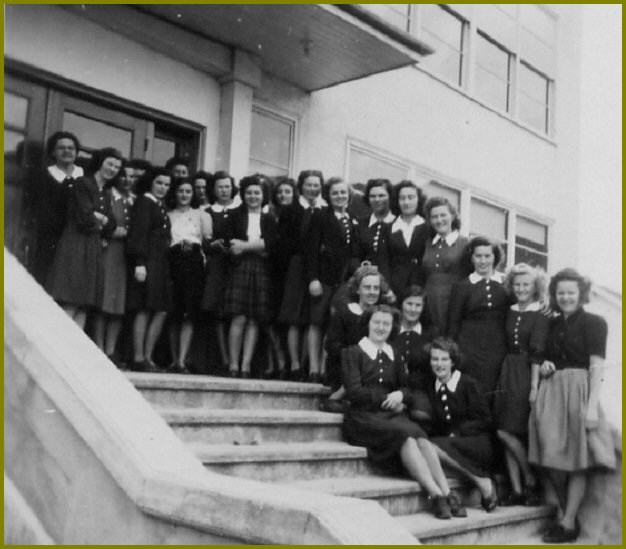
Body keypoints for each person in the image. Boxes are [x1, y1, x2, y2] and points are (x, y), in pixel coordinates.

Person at [342, 306, 466, 520]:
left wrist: (400, 394)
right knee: (405, 433)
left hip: (391, 416)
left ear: (392, 328)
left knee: (419, 435)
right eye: (377, 322)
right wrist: (385, 399)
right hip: (363, 418)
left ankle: (446, 492)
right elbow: (354, 392)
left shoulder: (395, 354)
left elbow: (408, 389)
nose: (381, 328)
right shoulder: (352, 352)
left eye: (386, 324)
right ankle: (435, 494)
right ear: (368, 324)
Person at [528, 269, 616, 543]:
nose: (565, 297)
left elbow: (597, 367)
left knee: (578, 459)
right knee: (550, 455)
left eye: (571, 292)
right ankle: (568, 514)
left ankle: (567, 522)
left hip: (579, 391)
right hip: (552, 390)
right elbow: (540, 357)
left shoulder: (595, 322)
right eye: (561, 292)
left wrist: (591, 408)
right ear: (554, 294)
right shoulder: (551, 324)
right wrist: (544, 366)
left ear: (581, 294)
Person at [46, 147, 122, 330]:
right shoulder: (83, 183)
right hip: (77, 244)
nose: (112, 169)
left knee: (83, 304)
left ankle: (73, 351)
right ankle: (57, 345)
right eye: (109, 164)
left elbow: (111, 224)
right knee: (72, 298)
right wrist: (99, 219)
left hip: (92, 245)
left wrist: (100, 217)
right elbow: (85, 219)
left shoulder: (105, 192)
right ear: (100, 163)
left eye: (116, 167)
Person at [493, 263, 549, 506]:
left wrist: (535, 386)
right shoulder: (510, 309)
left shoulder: (541, 312)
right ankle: (517, 489)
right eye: (517, 284)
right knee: (503, 429)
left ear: (535, 286)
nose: (521, 288)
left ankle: (529, 478)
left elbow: (537, 352)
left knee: (508, 430)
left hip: (526, 372)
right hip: (507, 370)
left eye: (526, 284)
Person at [424, 337, 498, 513]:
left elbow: (486, 420)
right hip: (453, 445)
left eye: (444, 359)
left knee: (430, 446)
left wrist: (459, 431)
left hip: (476, 442)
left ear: (453, 362)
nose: (439, 364)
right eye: (435, 359)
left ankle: (483, 482)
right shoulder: (431, 386)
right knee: (425, 448)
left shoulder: (467, 383)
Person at [306, 177, 362, 383]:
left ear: (349, 195)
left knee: (333, 324)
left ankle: (324, 368)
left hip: (344, 281)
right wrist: (313, 279)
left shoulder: (353, 219)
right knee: (316, 321)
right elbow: (311, 250)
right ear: (328, 196)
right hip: (323, 278)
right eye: (335, 193)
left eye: (343, 192)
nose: (340, 196)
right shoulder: (320, 216)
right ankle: (312, 368)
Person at [224, 175, 278, 378]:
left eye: (257, 193)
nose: (253, 196)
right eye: (249, 193)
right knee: (238, 317)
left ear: (263, 196)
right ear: (243, 195)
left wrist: (245, 246)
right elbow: (230, 244)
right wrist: (258, 246)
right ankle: (233, 364)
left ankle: (246, 365)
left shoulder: (269, 218)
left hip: (261, 269)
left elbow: (271, 244)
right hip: (240, 268)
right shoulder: (234, 216)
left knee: (254, 319)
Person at [321, 264, 392, 411]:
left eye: (376, 288)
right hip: (345, 368)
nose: (372, 292)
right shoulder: (344, 313)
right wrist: (356, 358)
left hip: (374, 369)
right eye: (367, 288)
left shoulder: (383, 314)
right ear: (358, 289)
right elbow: (331, 345)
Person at [277, 169, 326, 380]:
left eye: (317, 185)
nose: (313, 189)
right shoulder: (290, 210)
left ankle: (308, 365)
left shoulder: (325, 210)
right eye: (309, 185)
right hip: (296, 266)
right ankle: (295, 365)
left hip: (317, 268)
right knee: (294, 318)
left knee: (311, 317)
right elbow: (284, 242)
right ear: (301, 186)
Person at [447, 236, 509, 403]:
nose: (483, 261)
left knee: (495, 389)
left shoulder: (506, 283)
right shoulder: (462, 286)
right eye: (478, 256)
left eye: (487, 256)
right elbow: (453, 322)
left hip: (498, 346)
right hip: (469, 346)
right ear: (471, 258)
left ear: (495, 257)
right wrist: (453, 351)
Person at [126, 168, 173, 372]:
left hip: (161, 262)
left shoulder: (159, 204)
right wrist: (139, 262)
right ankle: (139, 358)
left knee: (160, 310)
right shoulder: (144, 202)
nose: (163, 188)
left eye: (166, 184)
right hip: (148, 261)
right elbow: (138, 233)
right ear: (150, 183)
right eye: (159, 183)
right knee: (144, 307)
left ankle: (148, 356)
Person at [166, 177, 213, 373]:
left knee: (188, 313)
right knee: (173, 311)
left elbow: (207, 241)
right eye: (180, 191)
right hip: (172, 261)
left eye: (188, 191)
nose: (184, 195)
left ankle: (182, 360)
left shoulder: (202, 215)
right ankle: (173, 359)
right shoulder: (167, 214)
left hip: (193, 262)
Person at [93, 165, 135, 366]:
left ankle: (111, 350)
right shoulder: (108, 195)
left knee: (119, 304)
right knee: (104, 302)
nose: (127, 180)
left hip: (126, 256)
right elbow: (102, 225)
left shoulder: (135, 200)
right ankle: (99, 348)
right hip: (109, 252)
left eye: (132, 177)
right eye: (124, 176)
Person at [33, 131, 84, 285]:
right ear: (53, 152)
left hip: (81, 239)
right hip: (54, 238)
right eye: (61, 148)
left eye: (71, 148)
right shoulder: (44, 176)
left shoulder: (85, 175)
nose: (67, 151)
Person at [201, 170, 239, 370]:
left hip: (236, 264)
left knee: (234, 312)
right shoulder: (207, 212)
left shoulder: (240, 209)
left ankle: (234, 360)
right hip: (216, 265)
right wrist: (212, 244)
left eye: (227, 186)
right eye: (219, 187)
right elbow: (202, 241)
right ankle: (223, 358)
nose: (224, 190)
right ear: (213, 190)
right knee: (216, 312)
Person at [421, 196, 470, 334]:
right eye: (434, 217)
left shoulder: (465, 243)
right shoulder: (427, 244)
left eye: (443, 215)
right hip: (430, 303)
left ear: (453, 216)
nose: (439, 220)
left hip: (454, 303)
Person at [383, 180, 429, 297]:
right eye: (402, 198)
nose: (406, 202)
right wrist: (387, 289)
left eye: (411, 197)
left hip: (422, 288)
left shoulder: (428, 227)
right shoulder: (388, 228)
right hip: (394, 289)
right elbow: (384, 261)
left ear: (419, 199)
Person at [393, 286, 437, 393]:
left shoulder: (431, 334)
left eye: (418, 305)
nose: (413, 309)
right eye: (409, 304)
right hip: (392, 389)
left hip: (421, 390)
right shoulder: (391, 330)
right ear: (401, 304)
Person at [357, 178, 395, 280]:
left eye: (381, 195)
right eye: (372, 196)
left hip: (391, 284)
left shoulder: (399, 224)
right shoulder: (360, 224)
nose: (377, 199)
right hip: (363, 281)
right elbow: (354, 256)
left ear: (390, 197)